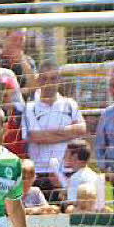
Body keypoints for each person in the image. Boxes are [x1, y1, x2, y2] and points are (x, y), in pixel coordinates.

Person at [22, 60, 86, 192]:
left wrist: (47, 134)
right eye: (44, 78)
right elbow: (36, 137)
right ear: (38, 80)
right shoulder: (29, 107)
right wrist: (68, 133)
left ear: (59, 80)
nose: (48, 83)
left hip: (67, 171)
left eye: (53, 78)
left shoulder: (70, 104)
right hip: (40, 173)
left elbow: (81, 130)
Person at [61, 140, 109, 209]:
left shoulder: (76, 178)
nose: (64, 157)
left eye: (66, 153)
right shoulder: (94, 175)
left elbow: (71, 204)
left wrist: (63, 198)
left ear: (75, 156)